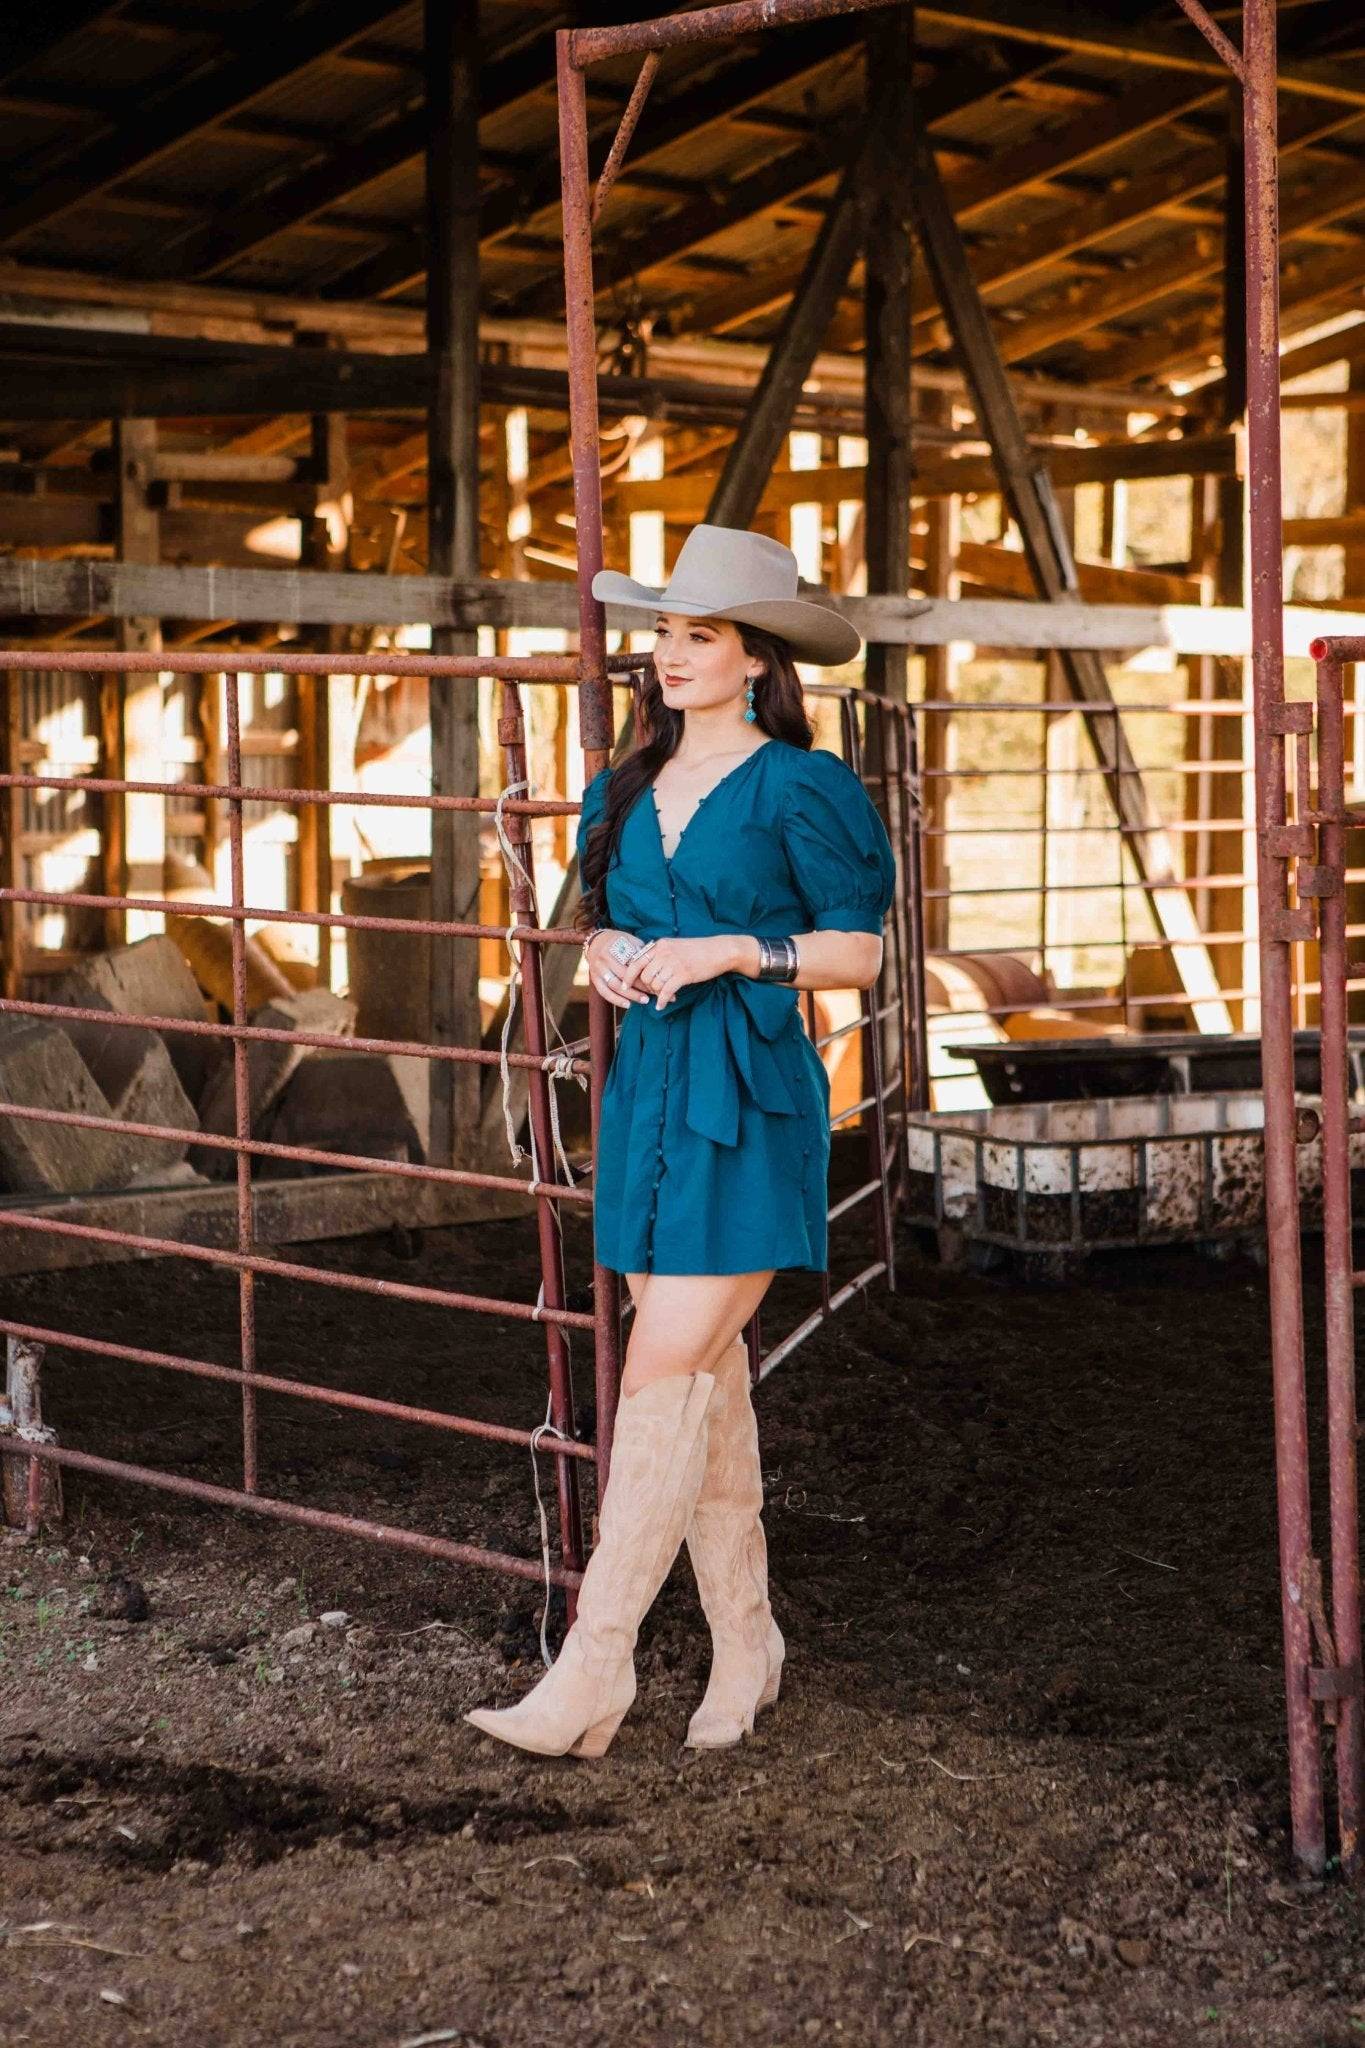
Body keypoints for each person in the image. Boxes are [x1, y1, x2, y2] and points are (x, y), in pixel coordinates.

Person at [466, 524, 897, 1760]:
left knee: (658, 1373)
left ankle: (591, 1667)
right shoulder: (621, 790)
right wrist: (605, 949)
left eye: (698, 634)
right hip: (648, 1096)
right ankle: (746, 1638)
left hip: (749, 1100)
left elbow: (860, 952)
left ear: (757, 658)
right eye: (662, 631)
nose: (669, 653)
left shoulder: (802, 785)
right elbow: (609, 923)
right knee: (706, 1381)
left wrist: (733, 950)